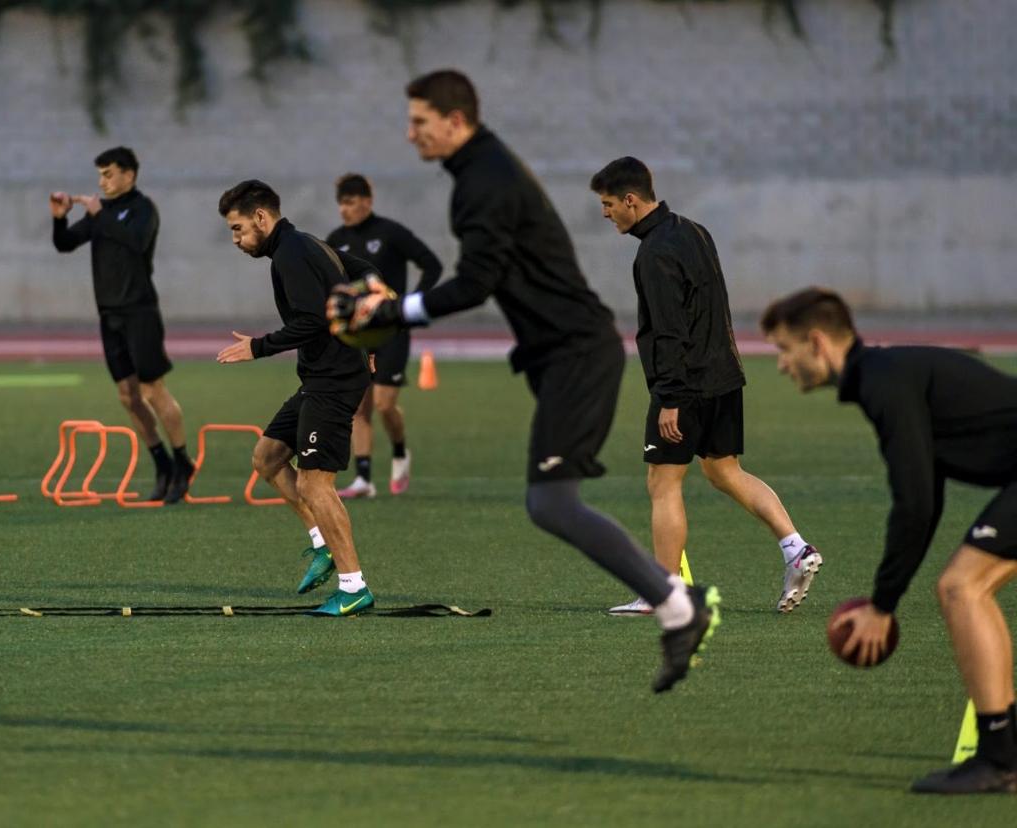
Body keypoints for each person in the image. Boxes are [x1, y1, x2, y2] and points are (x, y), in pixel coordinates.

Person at [328, 69, 718, 691]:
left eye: (420, 122)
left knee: (550, 502)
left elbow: (476, 283)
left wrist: (391, 311)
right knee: (550, 503)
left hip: (577, 354)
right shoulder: (480, 172)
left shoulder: (483, 181)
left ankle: (678, 606)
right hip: (556, 356)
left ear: (455, 122)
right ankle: (677, 607)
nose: (410, 134)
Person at [762, 287, 1017, 794]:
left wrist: (882, 605)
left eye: (784, 350)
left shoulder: (883, 382)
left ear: (816, 342)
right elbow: (928, 501)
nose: (782, 366)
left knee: (961, 588)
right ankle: (1002, 754)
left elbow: (915, 503)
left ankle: (999, 760)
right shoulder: (885, 376)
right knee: (966, 586)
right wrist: (886, 599)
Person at [590, 157, 821, 615]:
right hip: (724, 377)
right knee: (723, 471)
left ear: (631, 201)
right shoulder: (694, 230)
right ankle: (795, 547)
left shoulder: (653, 253)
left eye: (608, 203)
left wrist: (670, 398)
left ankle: (665, 593)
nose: (605, 213)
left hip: (685, 385)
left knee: (663, 481)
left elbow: (671, 329)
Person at [216, 179, 377, 616]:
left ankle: (354, 586)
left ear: (262, 218)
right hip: (320, 376)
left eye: (238, 228)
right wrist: (373, 338)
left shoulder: (291, 254)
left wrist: (259, 346)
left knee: (314, 482)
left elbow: (312, 322)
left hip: (335, 380)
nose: (235, 239)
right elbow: (364, 271)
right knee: (267, 458)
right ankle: (322, 543)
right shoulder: (306, 244)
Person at [51, 146, 194, 503]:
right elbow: (65, 244)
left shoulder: (143, 209)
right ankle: (161, 462)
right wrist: (58, 218)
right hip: (109, 314)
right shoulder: (104, 212)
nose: (103, 181)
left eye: (109, 174)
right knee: (127, 397)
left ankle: (182, 461)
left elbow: (136, 243)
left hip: (140, 312)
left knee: (152, 391)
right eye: (100, 175)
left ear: (129, 175)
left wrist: (101, 216)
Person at [327, 173, 443, 499]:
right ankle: (364, 480)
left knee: (384, 404)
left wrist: (411, 305)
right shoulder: (336, 239)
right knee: (359, 407)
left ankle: (400, 451)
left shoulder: (391, 233)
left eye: (350, 202)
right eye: (341, 203)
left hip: (392, 330)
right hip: (358, 336)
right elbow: (329, 283)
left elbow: (432, 265)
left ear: (367, 201)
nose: (344, 210)